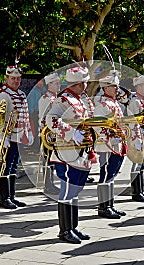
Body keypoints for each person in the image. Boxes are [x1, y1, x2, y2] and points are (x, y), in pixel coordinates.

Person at [45, 66, 94, 244]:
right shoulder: (63, 100)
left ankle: (73, 227)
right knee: (67, 191)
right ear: (80, 84)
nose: (87, 85)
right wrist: (72, 132)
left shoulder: (80, 99)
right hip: (65, 153)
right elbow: (51, 119)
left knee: (74, 191)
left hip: (79, 152)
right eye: (85, 82)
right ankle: (64, 230)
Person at [0, 65, 34, 209]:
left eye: (18, 78)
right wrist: (2, 138)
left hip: (19, 136)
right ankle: (4, 198)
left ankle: (12, 196)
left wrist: (27, 133)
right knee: (6, 167)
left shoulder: (21, 94)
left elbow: (25, 115)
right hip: (7, 137)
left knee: (14, 167)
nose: (16, 81)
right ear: (7, 78)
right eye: (13, 78)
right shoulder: (2, 93)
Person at [93, 74, 127, 219]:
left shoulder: (113, 102)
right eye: (114, 86)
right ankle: (103, 207)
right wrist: (110, 138)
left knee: (112, 175)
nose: (117, 88)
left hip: (116, 143)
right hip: (106, 145)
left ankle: (110, 205)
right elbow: (98, 124)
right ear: (105, 87)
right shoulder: (102, 104)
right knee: (106, 175)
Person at [127, 75, 144, 202]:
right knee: (137, 164)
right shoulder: (135, 102)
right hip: (137, 136)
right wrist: (137, 140)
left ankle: (141, 190)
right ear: (137, 87)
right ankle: (136, 192)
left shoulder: (143, 100)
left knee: (142, 164)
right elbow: (133, 122)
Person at [38, 72, 61, 194]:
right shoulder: (45, 99)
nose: (59, 85)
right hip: (47, 133)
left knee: (53, 159)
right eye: (56, 83)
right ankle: (48, 185)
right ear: (49, 84)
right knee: (47, 160)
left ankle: (51, 183)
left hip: (55, 133)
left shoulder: (56, 98)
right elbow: (43, 118)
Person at [27, 79, 46, 150]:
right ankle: (35, 146)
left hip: (43, 112)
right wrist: (31, 115)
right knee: (35, 129)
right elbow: (30, 103)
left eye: (41, 84)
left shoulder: (44, 90)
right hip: (35, 112)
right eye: (39, 85)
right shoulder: (33, 92)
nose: (40, 86)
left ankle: (42, 145)